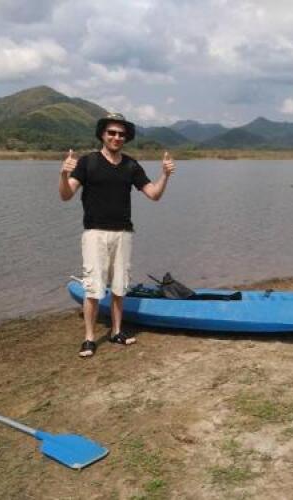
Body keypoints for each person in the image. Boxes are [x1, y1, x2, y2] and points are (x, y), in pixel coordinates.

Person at [59, 112, 175, 357]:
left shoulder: (131, 165)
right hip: (95, 234)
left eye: (121, 134)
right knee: (93, 288)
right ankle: (89, 338)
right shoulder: (87, 162)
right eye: (111, 132)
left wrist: (165, 175)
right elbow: (66, 195)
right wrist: (63, 175)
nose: (116, 137)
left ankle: (117, 332)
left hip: (123, 234)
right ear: (102, 135)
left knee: (119, 287)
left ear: (126, 138)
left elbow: (154, 194)